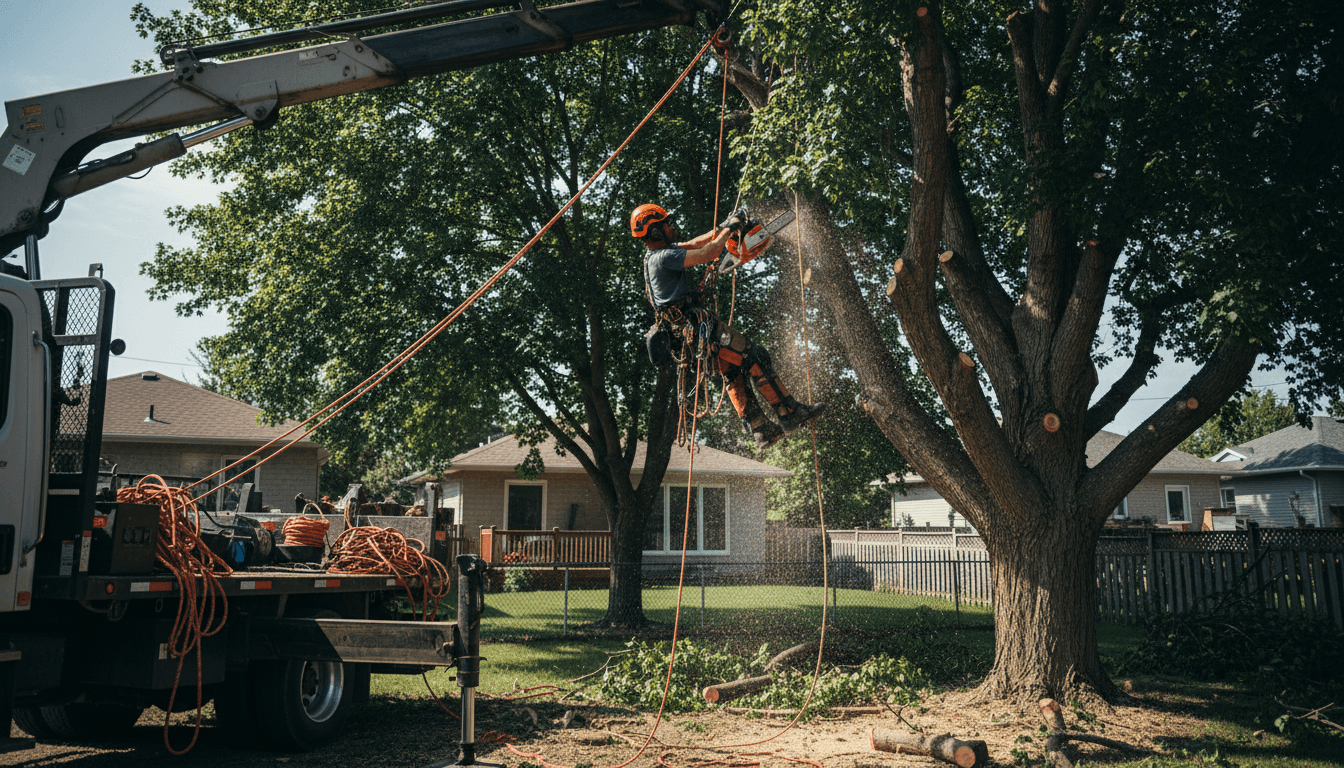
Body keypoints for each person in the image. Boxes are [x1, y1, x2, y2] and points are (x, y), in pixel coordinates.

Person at [632, 203, 824, 448]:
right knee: (755, 357)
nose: (671, 226)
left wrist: (725, 227)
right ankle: (789, 412)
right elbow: (708, 253)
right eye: (666, 224)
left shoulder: (658, 254)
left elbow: (698, 243)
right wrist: (730, 228)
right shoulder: (663, 257)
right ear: (655, 232)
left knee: (733, 370)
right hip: (697, 328)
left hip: (688, 332)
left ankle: (761, 430)